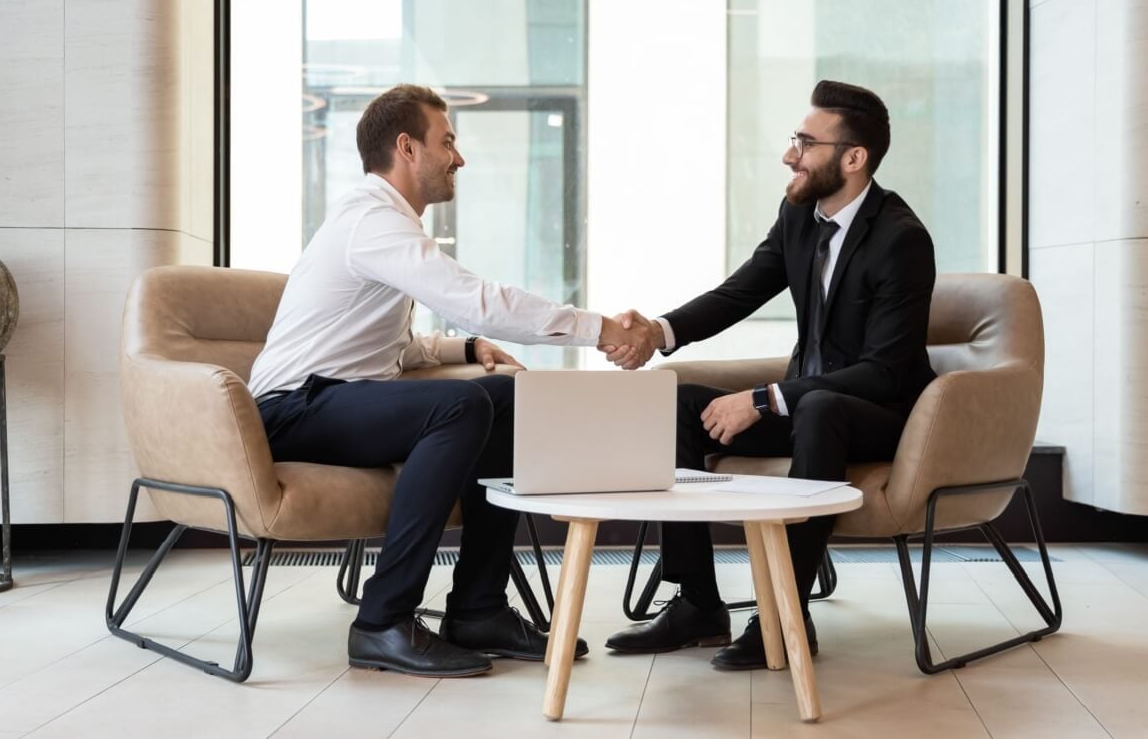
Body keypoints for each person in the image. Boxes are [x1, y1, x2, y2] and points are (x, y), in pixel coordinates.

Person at [248, 84, 651, 678]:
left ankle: (478, 608)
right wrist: (599, 329)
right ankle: (382, 622)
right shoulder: (372, 220)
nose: (458, 157)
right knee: (459, 405)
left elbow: (383, 344)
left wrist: (462, 348)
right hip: (293, 408)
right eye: (449, 141)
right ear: (407, 148)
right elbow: (480, 301)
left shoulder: (384, 224)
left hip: (339, 396)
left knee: (509, 395)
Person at [602, 80, 936, 670]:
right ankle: (697, 603)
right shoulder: (799, 216)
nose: (790, 155)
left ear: (853, 158)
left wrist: (764, 398)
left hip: (877, 415)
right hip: (805, 408)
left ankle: (785, 614)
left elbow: (883, 373)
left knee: (820, 407)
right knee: (671, 402)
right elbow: (741, 291)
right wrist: (658, 332)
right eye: (794, 140)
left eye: (806, 143)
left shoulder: (901, 241)